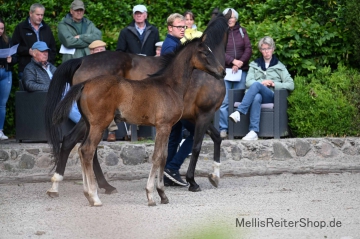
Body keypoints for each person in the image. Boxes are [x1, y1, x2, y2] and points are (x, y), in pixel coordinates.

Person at [229, 36, 295, 140]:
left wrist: (274, 84)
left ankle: (239, 112)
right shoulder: (254, 65)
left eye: (268, 49)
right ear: (261, 50)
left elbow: (291, 84)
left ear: (273, 49)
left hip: (271, 95)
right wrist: (262, 82)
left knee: (256, 85)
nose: (266, 52)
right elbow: (248, 82)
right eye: (264, 49)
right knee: (257, 97)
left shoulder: (279, 66)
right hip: (255, 95)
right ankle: (253, 131)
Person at [161, 13, 191, 187]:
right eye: (179, 27)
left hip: (174, 99)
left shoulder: (176, 44)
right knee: (196, 133)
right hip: (174, 99)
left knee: (175, 136)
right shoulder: (170, 48)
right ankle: (172, 167)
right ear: (170, 28)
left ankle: (167, 173)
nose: (182, 29)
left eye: (184, 27)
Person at [23, 41, 80, 123]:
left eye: (46, 51)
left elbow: (63, 78)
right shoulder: (30, 68)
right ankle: (85, 127)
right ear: (34, 53)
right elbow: (29, 85)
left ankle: (91, 126)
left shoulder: (51, 66)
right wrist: (52, 88)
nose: (45, 54)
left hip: (63, 92)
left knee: (79, 100)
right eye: (42, 51)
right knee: (67, 104)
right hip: (49, 97)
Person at [219, 8, 252, 139]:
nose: (230, 19)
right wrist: (232, 61)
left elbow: (248, 49)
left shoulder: (242, 31)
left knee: (241, 100)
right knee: (224, 101)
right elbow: (219, 50)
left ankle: (238, 130)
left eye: (232, 17)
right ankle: (223, 128)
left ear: (236, 19)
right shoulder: (220, 32)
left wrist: (240, 63)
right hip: (225, 71)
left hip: (241, 70)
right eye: (228, 17)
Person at [12, 3, 56, 82]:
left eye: (42, 15)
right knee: (28, 93)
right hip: (26, 68)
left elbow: (52, 48)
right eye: (38, 14)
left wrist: (49, 61)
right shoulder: (21, 28)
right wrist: (27, 51)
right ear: (30, 13)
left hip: (45, 68)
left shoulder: (46, 28)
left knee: (46, 92)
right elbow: (14, 47)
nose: (40, 17)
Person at [0, 18, 18, 140]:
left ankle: (0, 130)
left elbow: (16, 57)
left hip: (6, 72)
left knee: (2, 104)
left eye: (2, 28)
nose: (0, 31)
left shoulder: (8, 40)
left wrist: (11, 60)